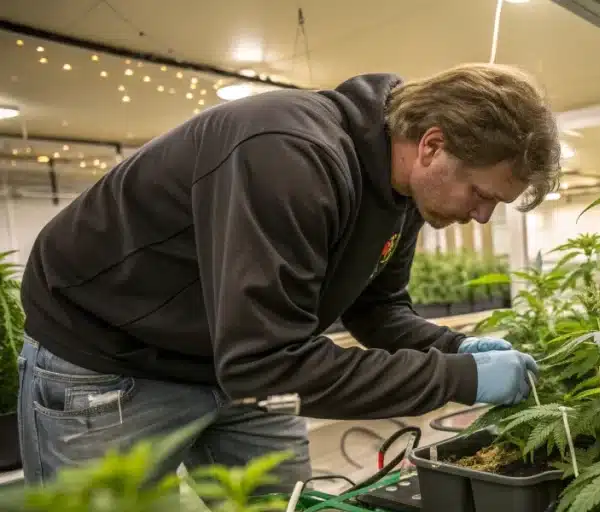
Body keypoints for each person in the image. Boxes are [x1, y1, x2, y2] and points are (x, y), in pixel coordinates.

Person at [16, 63, 561, 489]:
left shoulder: (405, 195)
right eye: (482, 194)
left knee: (282, 500)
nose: (482, 215)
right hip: (110, 354)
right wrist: (461, 380)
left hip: (239, 358)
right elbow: (266, 365)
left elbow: (377, 309)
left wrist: (456, 347)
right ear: (432, 146)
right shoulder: (291, 156)